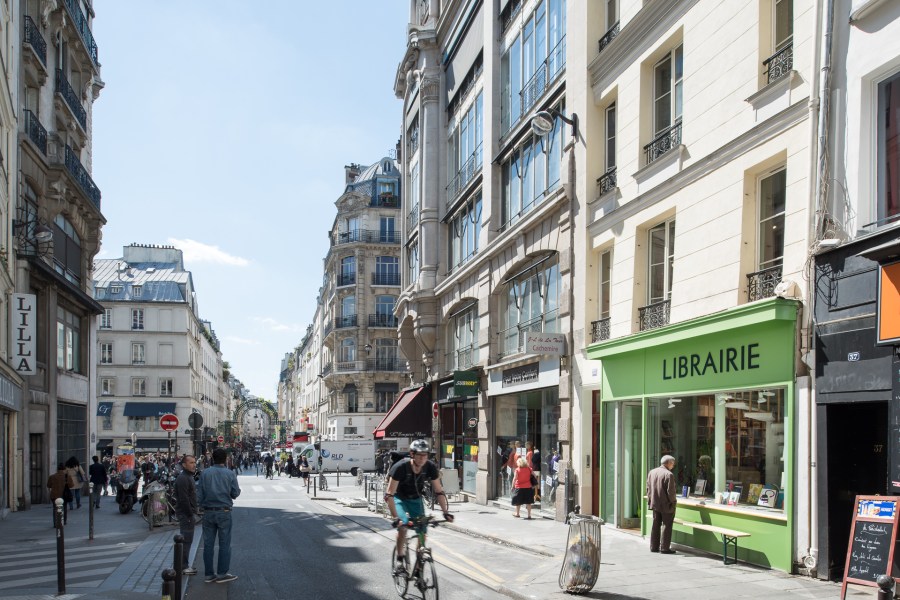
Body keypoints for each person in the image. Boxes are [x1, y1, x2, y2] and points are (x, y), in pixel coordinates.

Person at [384, 440, 453, 574]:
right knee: (403, 527)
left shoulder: (430, 467)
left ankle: (418, 568)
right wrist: (396, 518)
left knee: (422, 530)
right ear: (412, 454)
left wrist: (445, 512)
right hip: (399, 498)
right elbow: (389, 495)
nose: (422, 458)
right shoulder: (400, 467)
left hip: (416, 499)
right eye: (419, 455)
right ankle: (399, 560)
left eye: (425, 455)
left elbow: (438, 490)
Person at [197, 448, 241, 584]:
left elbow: (199, 494)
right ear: (226, 459)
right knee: (224, 544)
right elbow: (235, 493)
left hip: (208, 512)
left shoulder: (205, 473)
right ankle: (222, 574)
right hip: (224, 511)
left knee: (208, 544)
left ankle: (209, 575)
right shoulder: (230, 474)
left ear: (213, 459)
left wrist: (200, 507)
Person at [646, 455, 677, 554]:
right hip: (666, 505)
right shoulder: (669, 474)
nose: (673, 466)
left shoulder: (652, 472)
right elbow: (671, 492)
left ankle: (654, 547)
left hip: (655, 504)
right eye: (672, 464)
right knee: (667, 525)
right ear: (668, 463)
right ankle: (664, 548)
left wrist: (650, 500)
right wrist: (674, 502)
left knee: (656, 524)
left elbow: (648, 488)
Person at [174, 455, 200, 576]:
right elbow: (184, 499)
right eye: (191, 463)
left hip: (187, 513)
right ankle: (183, 566)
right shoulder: (183, 478)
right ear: (184, 465)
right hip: (186, 514)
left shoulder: (187, 477)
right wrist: (190, 514)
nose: (194, 465)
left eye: (194, 462)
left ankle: (183, 565)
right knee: (186, 541)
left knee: (187, 540)